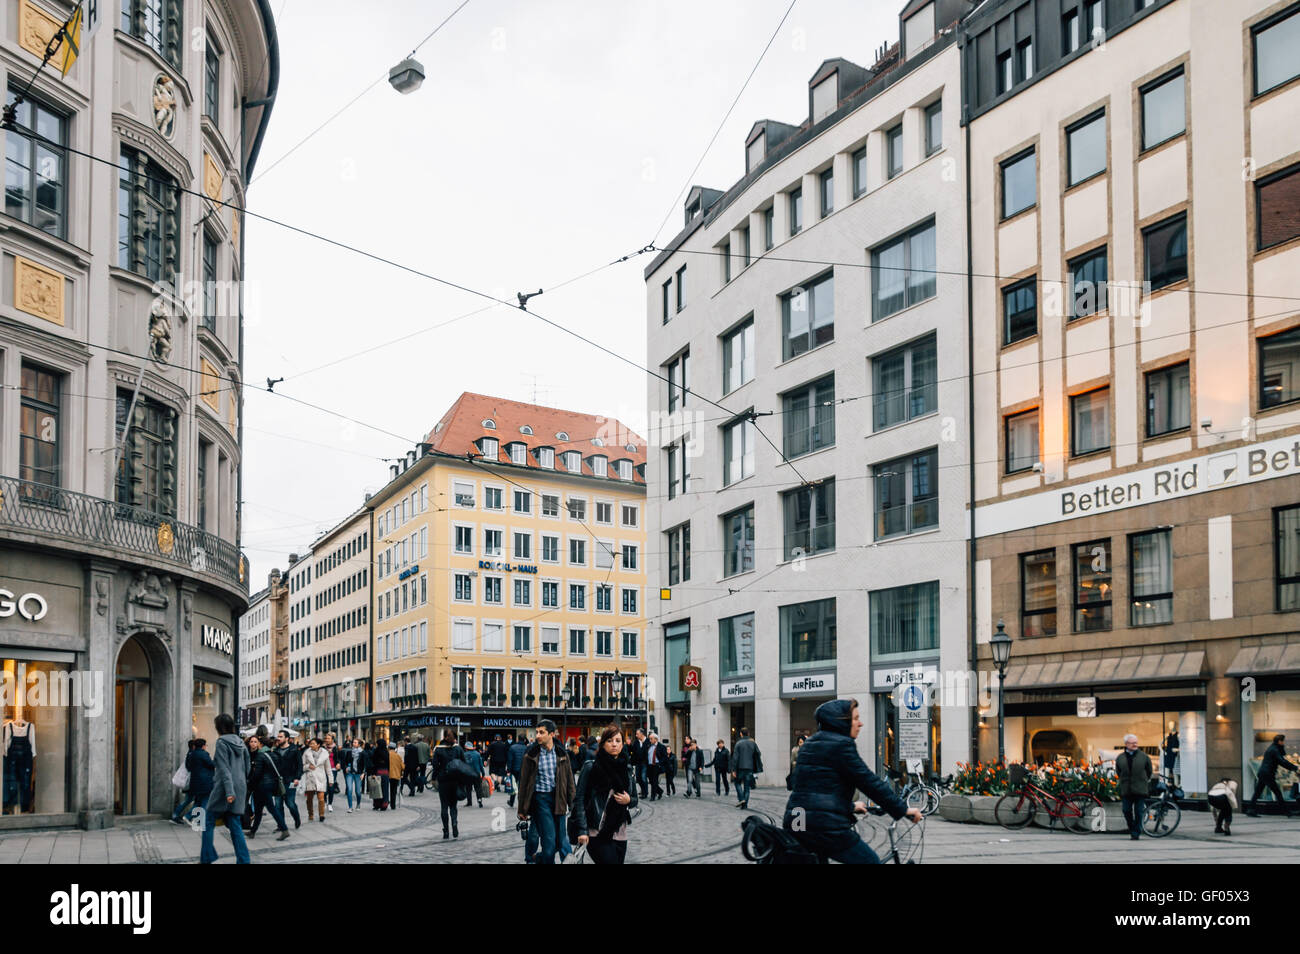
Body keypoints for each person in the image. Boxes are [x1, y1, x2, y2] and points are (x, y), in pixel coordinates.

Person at [783, 699, 922, 864]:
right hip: (825, 827)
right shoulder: (842, 745)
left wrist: (850, 806)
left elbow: (812, 792)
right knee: (869, 861)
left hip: (798, 822)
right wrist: (903, 809)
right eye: (855, 719)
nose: (860, 723)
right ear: (841, 722)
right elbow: (869, 782)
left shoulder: (809, 745)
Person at [573, 725, 637, 864]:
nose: (614, 744)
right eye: (609, 741)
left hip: (619, 831)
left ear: (622, 744)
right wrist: (582, 830)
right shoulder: (591, 767)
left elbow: (634, 799)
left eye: (618, 740)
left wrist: (628, 800)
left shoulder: (627, 768)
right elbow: (579, 800)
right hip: (596, 831)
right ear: (603, 744)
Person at [517, 719, 575, 864]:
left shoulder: (562, 754)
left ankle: (539, 859)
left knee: (560, 841)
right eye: (537, 732)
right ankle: (543, 858)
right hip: (541, 800)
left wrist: (573, 805)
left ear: (551, 734)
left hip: (559, 800)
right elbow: (523, 784)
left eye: (541, 732)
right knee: (549, 843)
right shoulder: (530, 755)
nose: (537, 736)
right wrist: (522, 809)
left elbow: (569, 783)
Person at [200, 715, 251, 864]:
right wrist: (240, 783)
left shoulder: (222, 742)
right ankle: (243, 860)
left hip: (225, 788)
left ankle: (207, 857)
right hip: (240, 786)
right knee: (234, 823)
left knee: (208, 820)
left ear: (219, 727)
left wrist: (229, 791)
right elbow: (247, 768)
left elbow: (224, 769)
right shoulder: (241, 742)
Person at [246, 736, 290, 841]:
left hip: (262, 786)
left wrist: (250, 783)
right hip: (271, 785)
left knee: (271, 808)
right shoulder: (275, 754)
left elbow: (257, 774)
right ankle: (252, 831)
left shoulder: (260, 756)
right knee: (258, 809)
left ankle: (284, 829)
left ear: (261, 744)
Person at [1245, 734, 1298, 817]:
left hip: (1264, 773)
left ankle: (1250, 809)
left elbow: (1281, 759)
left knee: (1258, 792)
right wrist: (1294, 767)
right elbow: (1282, 761)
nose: (1284, 743)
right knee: (1277, 792)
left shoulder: (1273, 748)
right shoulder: (1274, 750)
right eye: (1283, 741)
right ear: (1279, 741)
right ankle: (1287, 812)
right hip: (1267, 774)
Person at [1116, 733, 1153, 840]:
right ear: (1126, 744)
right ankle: (1132, 827)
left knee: (1138, 812)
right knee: (1126, 810)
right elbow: (1118, 771)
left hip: (1140, 789)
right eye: (1132, 743)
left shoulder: (1144, 757)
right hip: (1126, 789)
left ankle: (1136, 832)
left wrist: (1143, 780)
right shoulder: (1120, 758)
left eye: (1136, 743)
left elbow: (1149, 771)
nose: (1135, 745)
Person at [431, 730, 467, 839]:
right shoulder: (458, 749)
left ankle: (446, 830)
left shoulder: (438, 750)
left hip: (443, 781)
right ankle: (454, 823)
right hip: (455, 780)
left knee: (444, 806)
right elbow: (463, 764)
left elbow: (435, 766)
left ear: (445, 737)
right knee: (453, 806)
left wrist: (434, 778)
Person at [173, 739, 214, 825]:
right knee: (204, 802)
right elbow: (211, 764)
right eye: (205, 745)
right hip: (204, 782)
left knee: (199, 801)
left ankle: (190, 817)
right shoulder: (203, 754)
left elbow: (190, 767)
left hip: (195, 782)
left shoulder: (192, 754)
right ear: (203, 746)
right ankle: (195, 818)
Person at [272, 730, 302, 830]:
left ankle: (296, 818)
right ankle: (281, 825)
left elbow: (299, 765)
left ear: (287, 738)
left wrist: (297, 778)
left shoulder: (294, 750)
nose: (278, 738)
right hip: (278, 781)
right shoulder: (275, 751)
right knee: (278, 805)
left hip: (290, 780)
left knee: (290, 804)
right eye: (278, 736)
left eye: (281, 736)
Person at [732, 727, 763, 809]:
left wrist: (733, 770)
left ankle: (741, 799)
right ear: (748, 734)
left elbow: (735, 758)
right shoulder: (753, 743)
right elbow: (758, 753)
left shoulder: (738, 743)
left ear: (741, 734)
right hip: (750, 768)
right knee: (747, 787)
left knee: (737, 783)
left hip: (740, 768)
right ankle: (745, 805)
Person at [302, 737, 331, 822]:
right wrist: (308, 766)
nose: (311, 745)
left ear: (318, 745)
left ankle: (321, 815)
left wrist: (331, 779)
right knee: (309, 799)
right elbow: (302, 765)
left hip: (320, 777)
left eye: (313, 743)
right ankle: (310, 814)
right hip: (310, 777)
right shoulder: (306, 753)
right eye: (310, 743)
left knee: (321, 798)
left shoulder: (325, 753)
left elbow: (328, 767)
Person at [341, 738, 365, 813]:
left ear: (359, 744)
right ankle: (350, 807)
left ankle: (358, 804)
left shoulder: (362, 753)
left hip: (358, 774)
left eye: (355, 742)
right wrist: (346, 767)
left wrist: (363, 773)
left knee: (358, 791)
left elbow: (365, 764)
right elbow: (344, 762)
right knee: (349, 789)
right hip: (350, 773)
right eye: (353, 742)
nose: (353, 743)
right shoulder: (349, 752)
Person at [367, 738, 390, 810]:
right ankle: (384, 804)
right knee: (385, 789)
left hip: (378, 772)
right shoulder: (386, 752)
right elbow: (388, 763)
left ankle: (377, 804)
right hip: (385, 772)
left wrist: (373, 773)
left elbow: (374, 763)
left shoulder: (376, 751)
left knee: (377, 789)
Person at [462, 740, 485, 807]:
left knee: (468, 788)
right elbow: (481, 765)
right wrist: (483, 773)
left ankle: (469, 802)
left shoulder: (464, 755)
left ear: (466, 748)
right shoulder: (477, 754)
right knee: (478, 788)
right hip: (476, 774)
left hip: (468, 774)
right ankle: (479, 800)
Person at [507, 733, 527, 808]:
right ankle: (521, 803)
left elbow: (510, 760)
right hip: (523, 770)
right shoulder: (526, 748)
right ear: (524, 740)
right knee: (521, 787)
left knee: (513, 786)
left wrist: (508, 770)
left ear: (518, 739)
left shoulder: (512, 747)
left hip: (514, 769)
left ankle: (511, 802)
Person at [646, 732, 667, 801]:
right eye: (649, 739)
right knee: (651, 781)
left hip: (656, 766)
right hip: (649, 766)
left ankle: (653, 796)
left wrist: (660, 764)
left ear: (656, 739)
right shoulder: (649, 746)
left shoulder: (662, 747)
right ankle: (660, 791)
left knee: (654, 781)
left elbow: (664, 757)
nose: (650, 740)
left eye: (651, 739)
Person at [322, 733, 339, 811]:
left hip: (333, 769)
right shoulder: (322, 747)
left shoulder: (335, 748)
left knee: (331, 787)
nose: (327, 740)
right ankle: (325, 802)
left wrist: (338, 763)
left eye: (329, 738)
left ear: (332, 739)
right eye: (326, 738)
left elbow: (338, 757)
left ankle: (330, 804)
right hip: (324, 769)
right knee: (324, 787)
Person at [631, 728, 649, 798]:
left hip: (645, 763)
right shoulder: (636, 742)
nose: (636, 735)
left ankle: (645, 793)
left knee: (643, 778)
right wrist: (632, 763)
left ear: (642, 734)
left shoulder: (647, 741)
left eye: (637, 734)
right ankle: (643, 790)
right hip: (638, 763)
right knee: (638, 778)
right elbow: (633, 753)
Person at [387, 742, 404, 809]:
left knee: (387, 789)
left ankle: (386, 801)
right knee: (393, 790)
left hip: (388, 774)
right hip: (396, 775)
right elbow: (403, 767)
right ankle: (393, 805)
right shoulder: (398, 756)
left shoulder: (387, 755)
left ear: (389, 748)